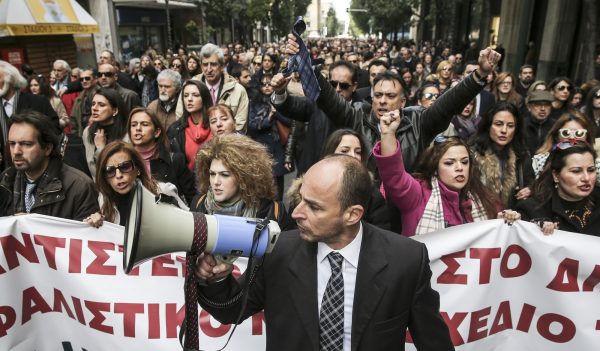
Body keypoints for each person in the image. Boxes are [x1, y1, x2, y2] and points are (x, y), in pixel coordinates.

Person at [195, 155, 454, 350]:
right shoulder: (277, 251)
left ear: (352, 214)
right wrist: (215, 279)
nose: (296, 213)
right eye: (300, 199)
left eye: (314, 207)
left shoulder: (406, 260)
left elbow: (434, 343)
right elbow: (230, 310)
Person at [374, 112, 509, 236]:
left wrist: (509, 221)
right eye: (449, 163)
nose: (459, 168)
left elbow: (499, 238)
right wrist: (388, 134)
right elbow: (394, 176)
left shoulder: (484, 199)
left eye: (464, 162)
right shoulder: (418, 195)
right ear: (435, 168)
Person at [0, 111, 99, 220]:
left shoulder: (79, 186)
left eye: (26, 144)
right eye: (12, 144)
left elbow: (85, 234)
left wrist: (32, 225)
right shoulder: (6, 180)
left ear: (47, 148)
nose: (16, 151)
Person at [288, 129, 391, 230]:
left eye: (358, 152)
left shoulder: (372, 194)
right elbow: (293, 232)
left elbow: (380, 234)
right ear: (329, 153)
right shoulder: (305, 188)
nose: (353, 156)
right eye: (345, 151)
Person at [190, 134, 293, 231]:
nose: (216, 182)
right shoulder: (199, 205)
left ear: (244, 178)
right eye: (212, 174)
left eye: (225, 175)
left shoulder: (272, 211)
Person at [84, 141, 187, 227]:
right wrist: (95, 224)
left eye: (125, 167)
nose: (118, 175)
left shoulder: (163, 191)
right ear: (105, 178)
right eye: (110, 171)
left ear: (137, 169)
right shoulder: (104, 200)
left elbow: (191, 225)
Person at [516, 141, 600, 235]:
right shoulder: (531, 210)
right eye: (576, 171)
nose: (586, 178)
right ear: (556, 175)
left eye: (591, 170)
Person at [470, 102, 534, 207]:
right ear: (488, 126)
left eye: (510, 126)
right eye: (498, 124)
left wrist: (530, 190)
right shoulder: (472, 154)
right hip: (481, 217)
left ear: (516, 129)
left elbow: (531, 183)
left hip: (513, 216)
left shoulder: (522, 156)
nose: (504, 130)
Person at [128, 107, 196, 204]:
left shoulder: (175, 160)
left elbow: (192, 198)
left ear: (157, 132)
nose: (138, 128)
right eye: (133, 125)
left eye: (144, 124)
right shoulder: (125, 161)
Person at [177, 44, 249, 133]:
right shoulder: (189, 87)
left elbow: (240, 127)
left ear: (222, 66)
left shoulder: (238, 90)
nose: (209, 69)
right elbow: (181, 118)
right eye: (205, 64)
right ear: (201, 66)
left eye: (213, 64)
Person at [248, 73, 292, 199]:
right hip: (261, 148)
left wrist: (276, 113)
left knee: (278, 190)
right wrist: (269, 117)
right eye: (263, 84)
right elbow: (252, 125)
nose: (267, 87)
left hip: (278, 147)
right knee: (261, 188)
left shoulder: (283, 100)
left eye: (269, 84)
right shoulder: (254, 103)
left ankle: (277, 215)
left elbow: (291, 122)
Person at [532, 112, 599, 182]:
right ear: (556, 136)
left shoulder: (596, 164)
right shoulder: (539, 161)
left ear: (587, 137)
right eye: (566, 133)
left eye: (579, 133)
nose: (572, 138)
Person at [82, 88, 129, 180]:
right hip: (98, 189)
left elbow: (119, 169)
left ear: (114, 111)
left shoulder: (127, 134)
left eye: (101, 105)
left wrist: (101, 148)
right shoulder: (87, 132)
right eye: (93, 104)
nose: (94, 108)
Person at [167, 80, 213, 170]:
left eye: (195, 95)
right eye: (186, 96)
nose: (189, 99)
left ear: (204, 98)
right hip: (186, 181)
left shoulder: (216, 125)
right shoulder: (175, 129)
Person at [522, 90, 556, 156]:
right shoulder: (521, 125)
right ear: (529, 107)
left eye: (547, 105)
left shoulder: (556, 126)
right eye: (538, 104)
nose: (543, 109)